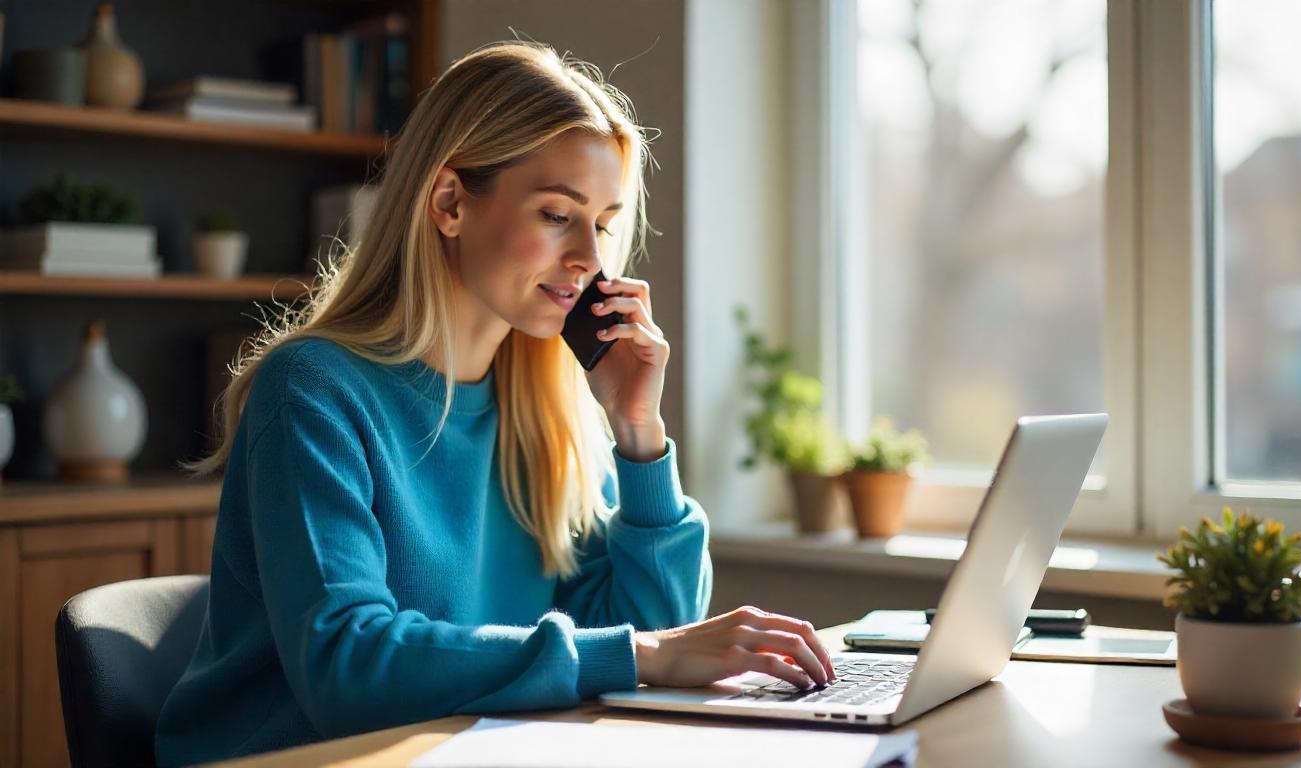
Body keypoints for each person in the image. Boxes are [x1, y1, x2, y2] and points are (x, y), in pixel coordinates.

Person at [155, 40, 835, 766]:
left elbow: (655, 634)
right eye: (555, 214)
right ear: (450, 203)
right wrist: (640, 653)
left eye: (601, 224)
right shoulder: (314, 391)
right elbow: (347, 664)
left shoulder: (547, 410)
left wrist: (639, 433)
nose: (589, 260)